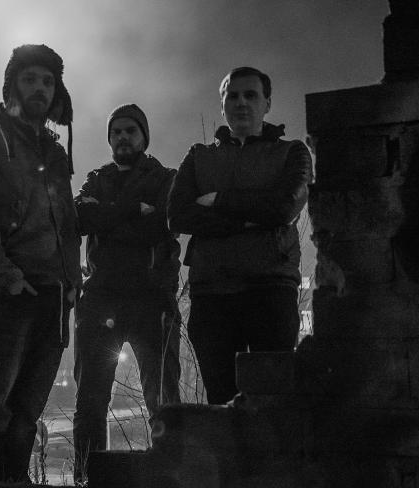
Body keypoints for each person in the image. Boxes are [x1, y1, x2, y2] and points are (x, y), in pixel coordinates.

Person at [0, 44, 81, 482]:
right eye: (30, 79)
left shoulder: (54, 152)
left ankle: (13, 482)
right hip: (11, 291)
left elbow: (67, 220)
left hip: (54, 295)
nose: (40, 88)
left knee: (27, 412)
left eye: (48, 81)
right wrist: (4, 274)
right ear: (11, 85)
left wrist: (72, 281)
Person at [168, 67, 313, 405]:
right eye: (232, 96)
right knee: (221, 403)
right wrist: (249, 221)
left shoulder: (292, 152)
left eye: (250, 95)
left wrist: (219, 200)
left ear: (267, 104)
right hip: (211, 292)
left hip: (271, 287)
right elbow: (178, 215)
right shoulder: (199, 155)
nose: (241, 102)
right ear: (222, 105)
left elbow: (283, 208)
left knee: (274, 401)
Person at [72, 104, 182, 483]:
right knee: (90, 403)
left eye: (130, 131)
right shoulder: (95, 179)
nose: (122, 137)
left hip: (152, 300)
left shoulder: (166, 178)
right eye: (116, 131)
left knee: (163, 403)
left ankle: (168, 481)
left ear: (144, 137)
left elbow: (161, 226)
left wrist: (108, 216)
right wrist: (134, 209)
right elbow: (80, 220)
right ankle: (88, 480)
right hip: (99, 301)